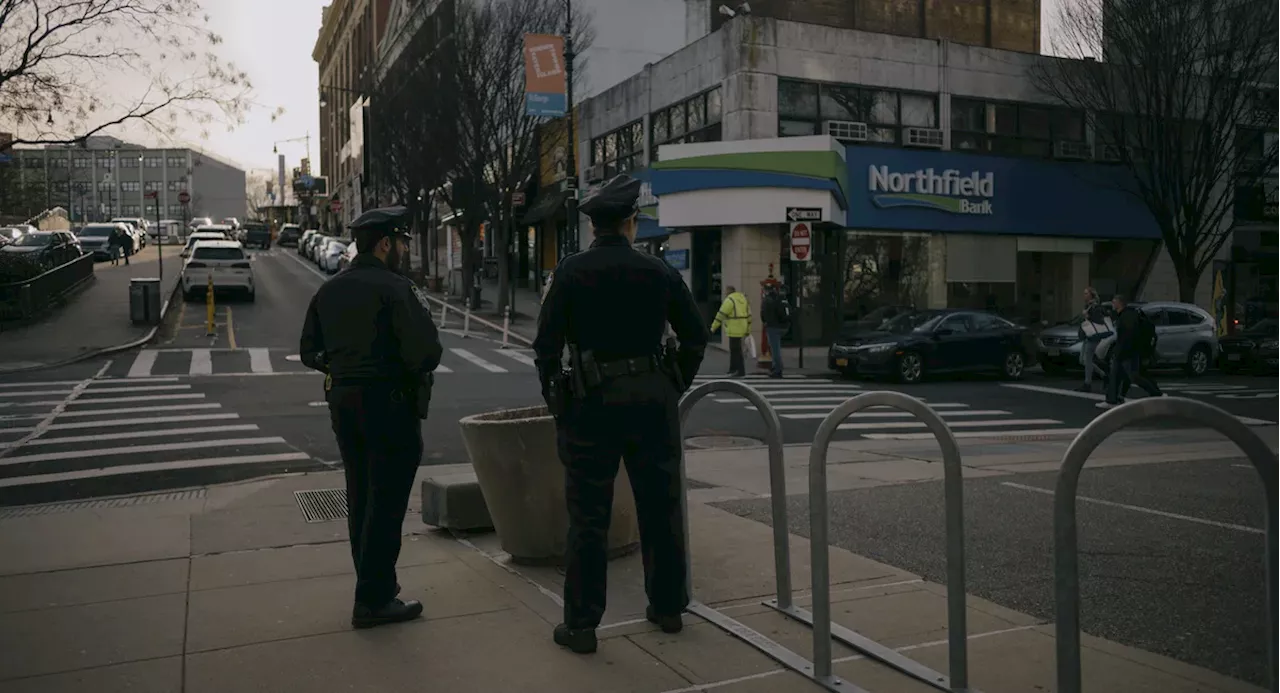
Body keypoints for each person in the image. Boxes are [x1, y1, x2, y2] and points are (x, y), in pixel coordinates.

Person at [534, 174, 709, 655]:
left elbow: (545, 348)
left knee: (588, 516)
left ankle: (582, 624)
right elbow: (695, 335)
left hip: (591, 402)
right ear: (632, 222)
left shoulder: (570, 273)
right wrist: (673, 381)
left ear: (596, 228)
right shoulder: (657, 272)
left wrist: (559, 403)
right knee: (661, 505)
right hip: (651, 399)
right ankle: (668, 607)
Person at [298, 205, 444, 629]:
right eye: (401, 242)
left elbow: (310, 351)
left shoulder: (329, 290)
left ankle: (372, 583)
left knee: (360, 495)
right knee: (387, 503)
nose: (403, 250)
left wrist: (343, 368)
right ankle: (375, 598)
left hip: (344, 404)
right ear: (385, 244)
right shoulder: (396, 289)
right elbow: (427, 353)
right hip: (390, 406)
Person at [1099, 294, 1162, 409]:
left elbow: (1128, 336)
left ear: (1120, 303)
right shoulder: (1124, 315)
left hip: (1128, 352)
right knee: (1115, 375)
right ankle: (1112, 399)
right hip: (1124, 352)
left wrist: (1120, 351)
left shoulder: (1127, 316)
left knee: (1134, 376)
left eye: (1114, 302)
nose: (1112, 304)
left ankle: (1157, 393)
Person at [710, 285, 751, 377]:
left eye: (726, 291)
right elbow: (749, 315)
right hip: (742, 327)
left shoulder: (729, 300)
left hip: (734, 328)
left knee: (735, 350)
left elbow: (720, 315)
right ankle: (737, 370)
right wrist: (748, 329)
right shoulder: (743, 299)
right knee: (737, 350)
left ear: (728, 292)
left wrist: (713, 328)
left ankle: (736, 370)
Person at [1077, 287, 1112, 392]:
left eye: (1086, 293)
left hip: (1093, 336)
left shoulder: (1095, 306)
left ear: (1091, 295)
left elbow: (1099, 321)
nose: (1084, 295)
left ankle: (1087, 384)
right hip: (1087, 335)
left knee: (1087, 360)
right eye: (1084, 293)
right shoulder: (1088, 306)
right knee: (1082, 360)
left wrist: (1088, 316)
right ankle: (1104, 375)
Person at [761, 284, 791, 378]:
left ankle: (777, 369)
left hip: (773, 327)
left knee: (775, 350)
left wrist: (766, 322)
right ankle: (776, 367)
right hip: (784, 326)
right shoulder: (781, 299)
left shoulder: (768, 300)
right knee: (775, 348)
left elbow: (764, 313)